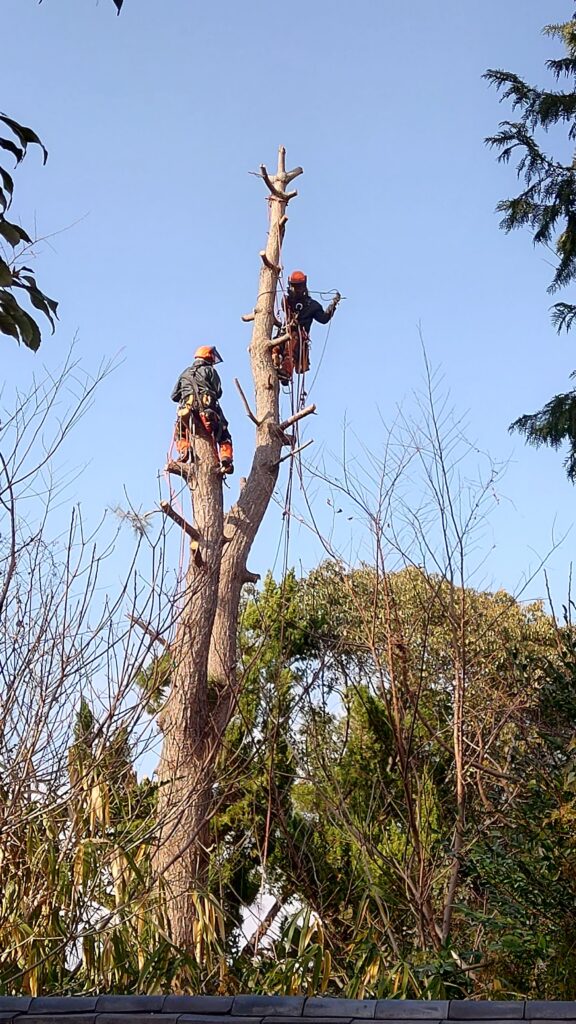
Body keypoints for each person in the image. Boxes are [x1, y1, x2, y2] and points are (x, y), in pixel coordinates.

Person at [171, 345, 234, 474]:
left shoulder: (185, 372)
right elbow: (218, 392)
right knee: (224, 434)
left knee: (180, 434)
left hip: (186, 411)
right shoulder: (210, 370)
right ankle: (226, 458)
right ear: (209, 356)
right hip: (207, 411)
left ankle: (185, 450)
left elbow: (174, 396)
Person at [272, 269, 341, 383]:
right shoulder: (287, 301)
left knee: (291, 347)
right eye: (294, 286)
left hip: (298, 338)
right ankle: (275, 359)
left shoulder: (312, 306)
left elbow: (323, 319)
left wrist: (333, 305)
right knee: (275, 347)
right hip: (284, 334)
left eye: (299, 286)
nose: (297, 290)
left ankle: (286, 370)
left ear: (304, 286)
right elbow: (284, 306)